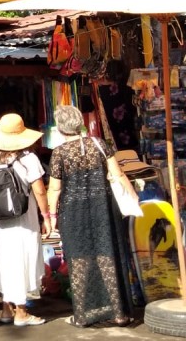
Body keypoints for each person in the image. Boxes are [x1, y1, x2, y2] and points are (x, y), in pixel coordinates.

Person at [48, 105, 135, 328]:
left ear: (60, 128)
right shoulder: (99, 143)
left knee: (79, 259)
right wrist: (133, 196)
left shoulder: (59, 152)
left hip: (73, 211)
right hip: (103, 208)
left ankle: (83, 316)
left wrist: (49, 216)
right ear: (79, 123)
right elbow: (117, 174)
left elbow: (55, 189)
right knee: (108, 254)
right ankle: (119, 314)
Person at [0, 113, 51, 327]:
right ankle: (21, 312)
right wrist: (47, 216)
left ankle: (6, 308)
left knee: (5, 259)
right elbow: (39, 190)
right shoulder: (27, 157)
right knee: (22, 258)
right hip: (23, 217)